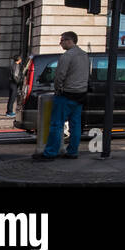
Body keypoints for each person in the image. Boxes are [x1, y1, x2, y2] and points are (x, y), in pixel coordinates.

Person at [34, 32, 88, 161]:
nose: (60, 43)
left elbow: (59, 76)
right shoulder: (85, 55)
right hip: (80, 94)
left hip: (66, 94)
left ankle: (50, 153)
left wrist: (58, 89)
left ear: (69, 41)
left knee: (56, 124)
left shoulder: (67, 56)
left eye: (62, 40)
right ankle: (72, 152)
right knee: (75, 125)